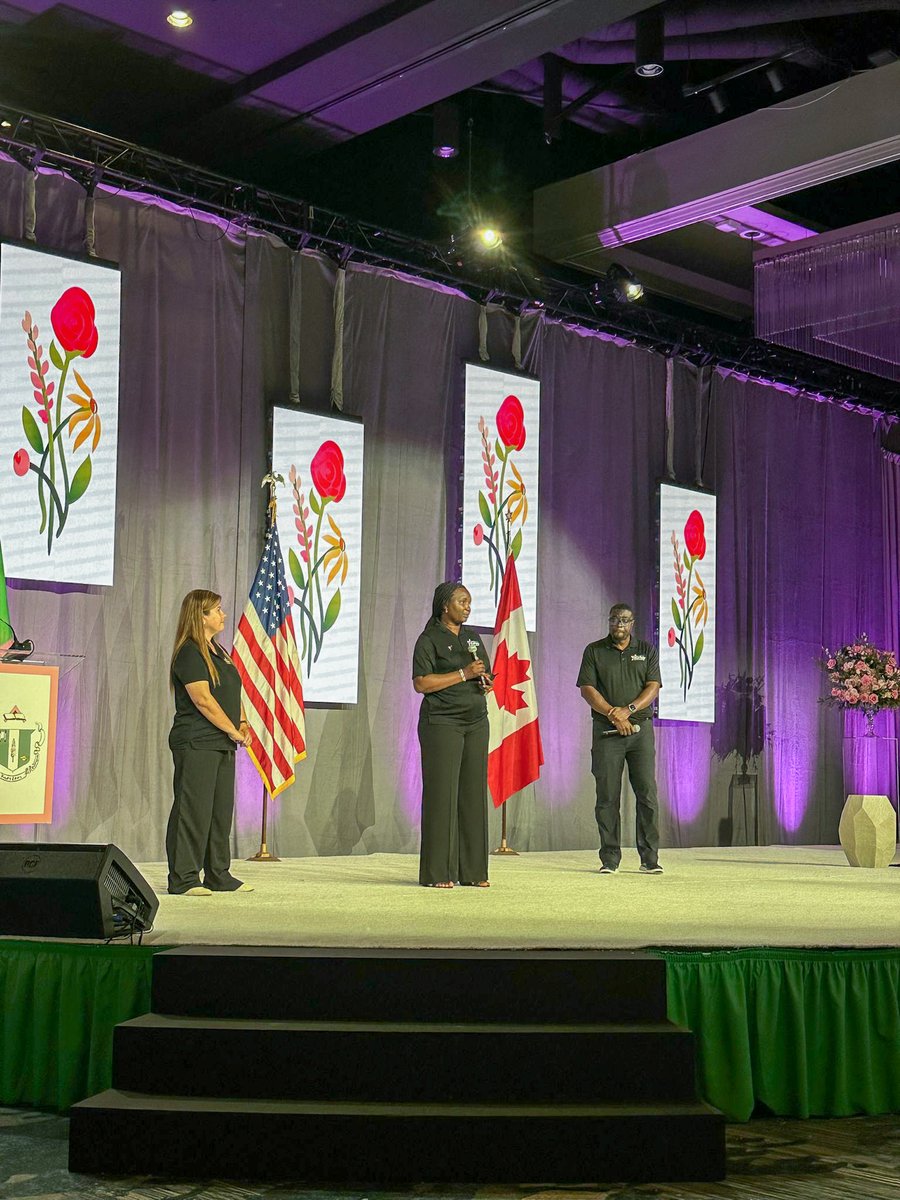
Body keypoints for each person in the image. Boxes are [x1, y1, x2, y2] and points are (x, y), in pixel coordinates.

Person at [167, 589, 254, 896]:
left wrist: (241, 723)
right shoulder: (189, 652)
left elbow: (232, 691)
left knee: (219, 811)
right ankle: (184, 877)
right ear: (200, 616)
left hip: (221, 742)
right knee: (193, 810)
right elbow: (202, 700)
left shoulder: (219, 651)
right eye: (217, 610)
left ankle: (218, 873)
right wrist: (232, 729)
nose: (223, 615)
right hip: (196, 741)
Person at [412, 582, 493, 888]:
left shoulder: (472, 638)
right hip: (442, 723)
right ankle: (437, 873)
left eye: (469, 602)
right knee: (442, 796)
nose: (467, 607)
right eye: (462, 602)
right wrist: (463, 674)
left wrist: (486, 682)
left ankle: (472, 872)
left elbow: (484, 674)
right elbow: (421, 683)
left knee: (472, 795)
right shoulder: (429, 639)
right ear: (445, 605)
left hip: (475, 721)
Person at [576, 603, 663, 875]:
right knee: (607, 797)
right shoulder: (594, 650)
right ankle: (610, 859)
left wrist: (629, 711)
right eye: (614, 620)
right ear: (609, 622)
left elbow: (653, 686)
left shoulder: (646, 650)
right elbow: (587, 689)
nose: (619, 625)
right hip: (607, 732)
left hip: (640, 732)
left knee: (647, 795)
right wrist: (614, 714)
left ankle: (649, 859)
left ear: (632, 623)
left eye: (624, 621)